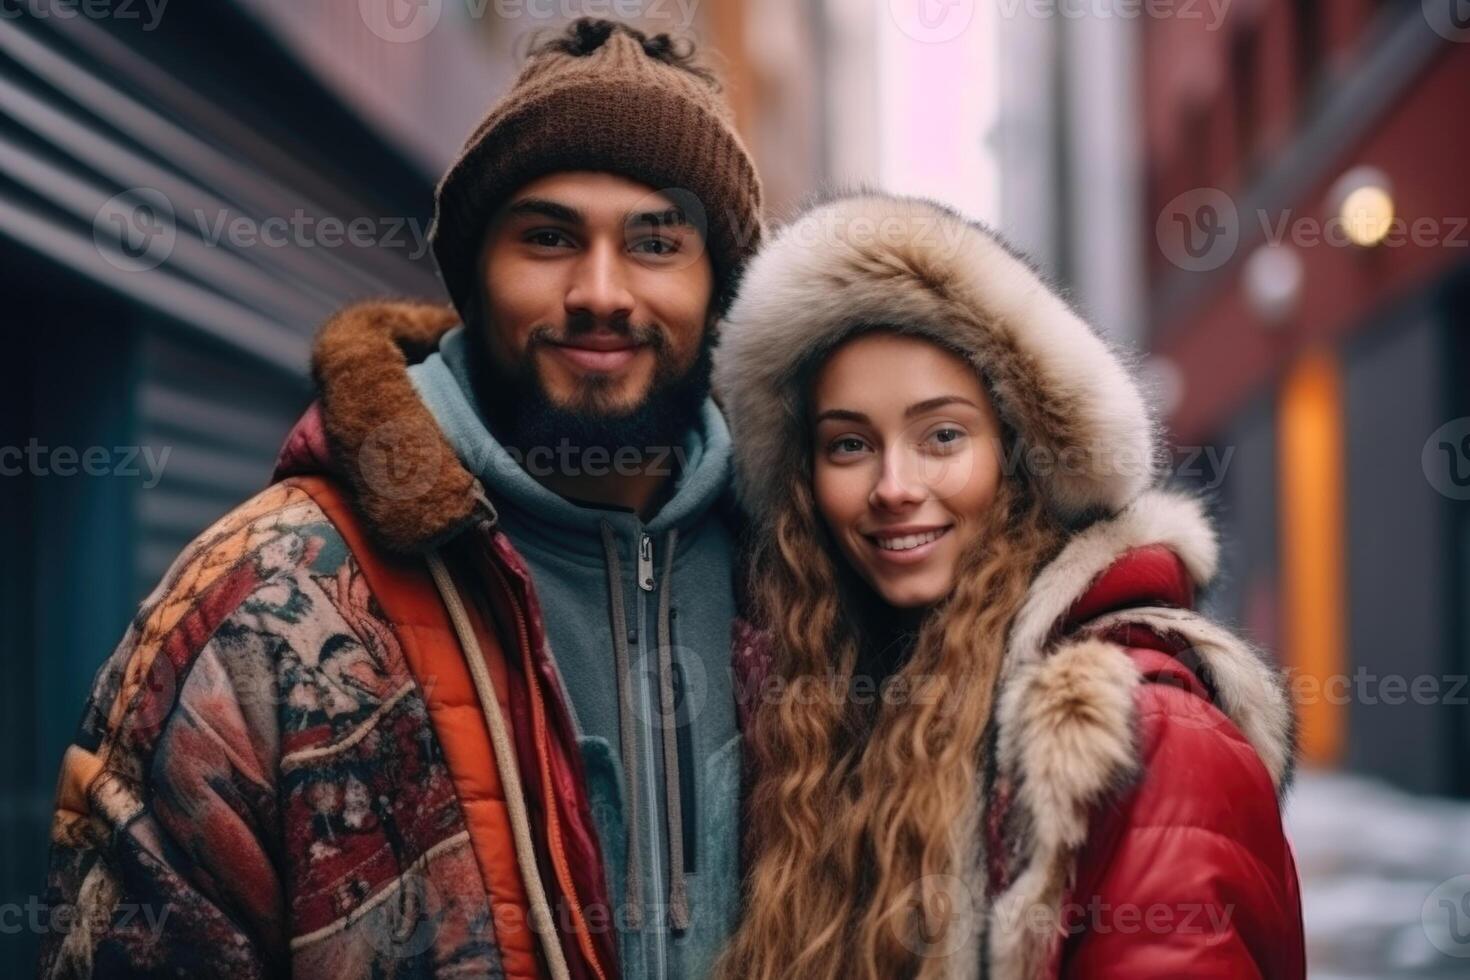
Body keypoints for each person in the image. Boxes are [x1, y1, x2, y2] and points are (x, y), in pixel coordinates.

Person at [39, 18, 762, 979]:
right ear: (474, 276)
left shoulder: (813, 578)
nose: (600, 291)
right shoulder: (255, 608)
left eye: (656, 242)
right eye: (548, 237)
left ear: (721, 290)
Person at [710, 191, 1306, 979]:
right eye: (849, 444)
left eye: (943, 435)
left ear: (1018, 455)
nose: (894, 484)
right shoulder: (823, 722)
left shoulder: (1137, 734)